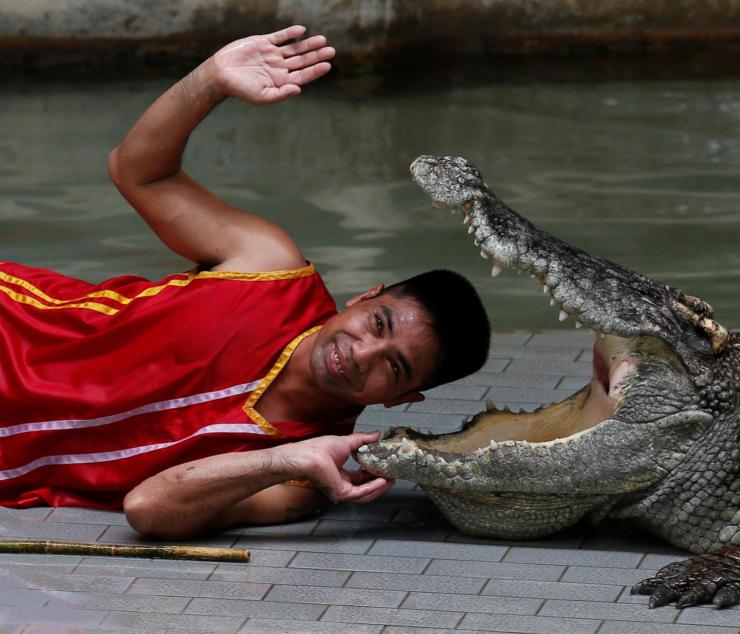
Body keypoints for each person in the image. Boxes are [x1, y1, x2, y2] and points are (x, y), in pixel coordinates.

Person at [0, 25, 490, 539]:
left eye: (392, 366)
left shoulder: (299, 481)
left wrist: (285, 460)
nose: (361, 353)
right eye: (377, 322)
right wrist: (210, 81)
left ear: (402, 399)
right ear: (366, 296)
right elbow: (137, 171)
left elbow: (147, 508)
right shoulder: (267, 266)